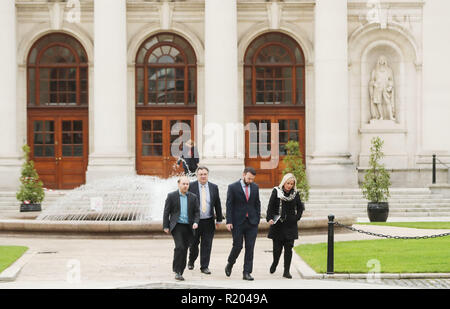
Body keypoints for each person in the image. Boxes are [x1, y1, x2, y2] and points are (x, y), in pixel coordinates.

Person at [225, 167, 261, 281]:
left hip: (252, 222)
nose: (250, 181)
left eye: (252, 179)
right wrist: (229, 221)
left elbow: (257, 203)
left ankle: (247, 272)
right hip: (237, 222)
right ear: (244, 175)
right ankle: (230, 263)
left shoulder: (255, 187)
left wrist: (257, 217)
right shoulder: (232, 187)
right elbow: (229, 205)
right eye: (249, 178)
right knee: (238, 246)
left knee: (250, 248)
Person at [266, 173, 305, 279]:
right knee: (277, 249)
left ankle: (286, 271)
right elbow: (270, 206)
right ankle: (275, 263)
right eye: (288, 183)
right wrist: (269, 218)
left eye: (292, 184)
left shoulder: (295, 194)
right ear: (284, 182)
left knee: (289, 249)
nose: (289, 186)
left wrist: (296, 218)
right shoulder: (276, 191)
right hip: (278, 224)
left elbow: (300, 208)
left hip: (290, 226)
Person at [163, 176, 200, 281]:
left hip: (189, 226)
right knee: (180, 247)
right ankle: (178, 271)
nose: (185, 186)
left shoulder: (193, 197)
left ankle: (180, 270)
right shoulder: (171, 196)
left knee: (184, 248)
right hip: (177, 226)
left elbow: (197, 212)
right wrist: (165, 226)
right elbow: (166, 212)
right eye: (183, 184)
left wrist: (196, 222)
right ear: (179, 184)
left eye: (187, 184)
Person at [187, 166, 223, 274]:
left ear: (208, 175)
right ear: (197, 175)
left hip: (208, 221)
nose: (203, 176)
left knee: (207, 245)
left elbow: (217, 204)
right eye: (201, 174)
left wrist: (219, 219)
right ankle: (191, 260)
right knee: (193, 244)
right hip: (194, 222)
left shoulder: (213, 187)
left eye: (205, 174)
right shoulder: (191, 186)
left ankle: (204, 266)